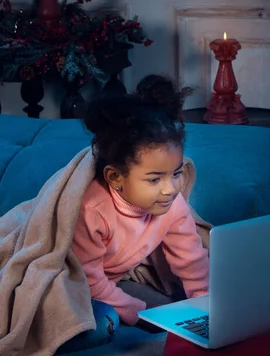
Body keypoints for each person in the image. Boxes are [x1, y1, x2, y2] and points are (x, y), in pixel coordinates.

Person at [71, 74, 210, 328]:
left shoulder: (172, 204)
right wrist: (139, 313)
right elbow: (86, 280)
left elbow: (191, 259)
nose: (170, 189)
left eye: (176, 173)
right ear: (115, 177)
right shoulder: (92, 210)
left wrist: (207, 305)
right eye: (155, 179)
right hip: (75, 279)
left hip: (111, 278)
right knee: (100, 324)